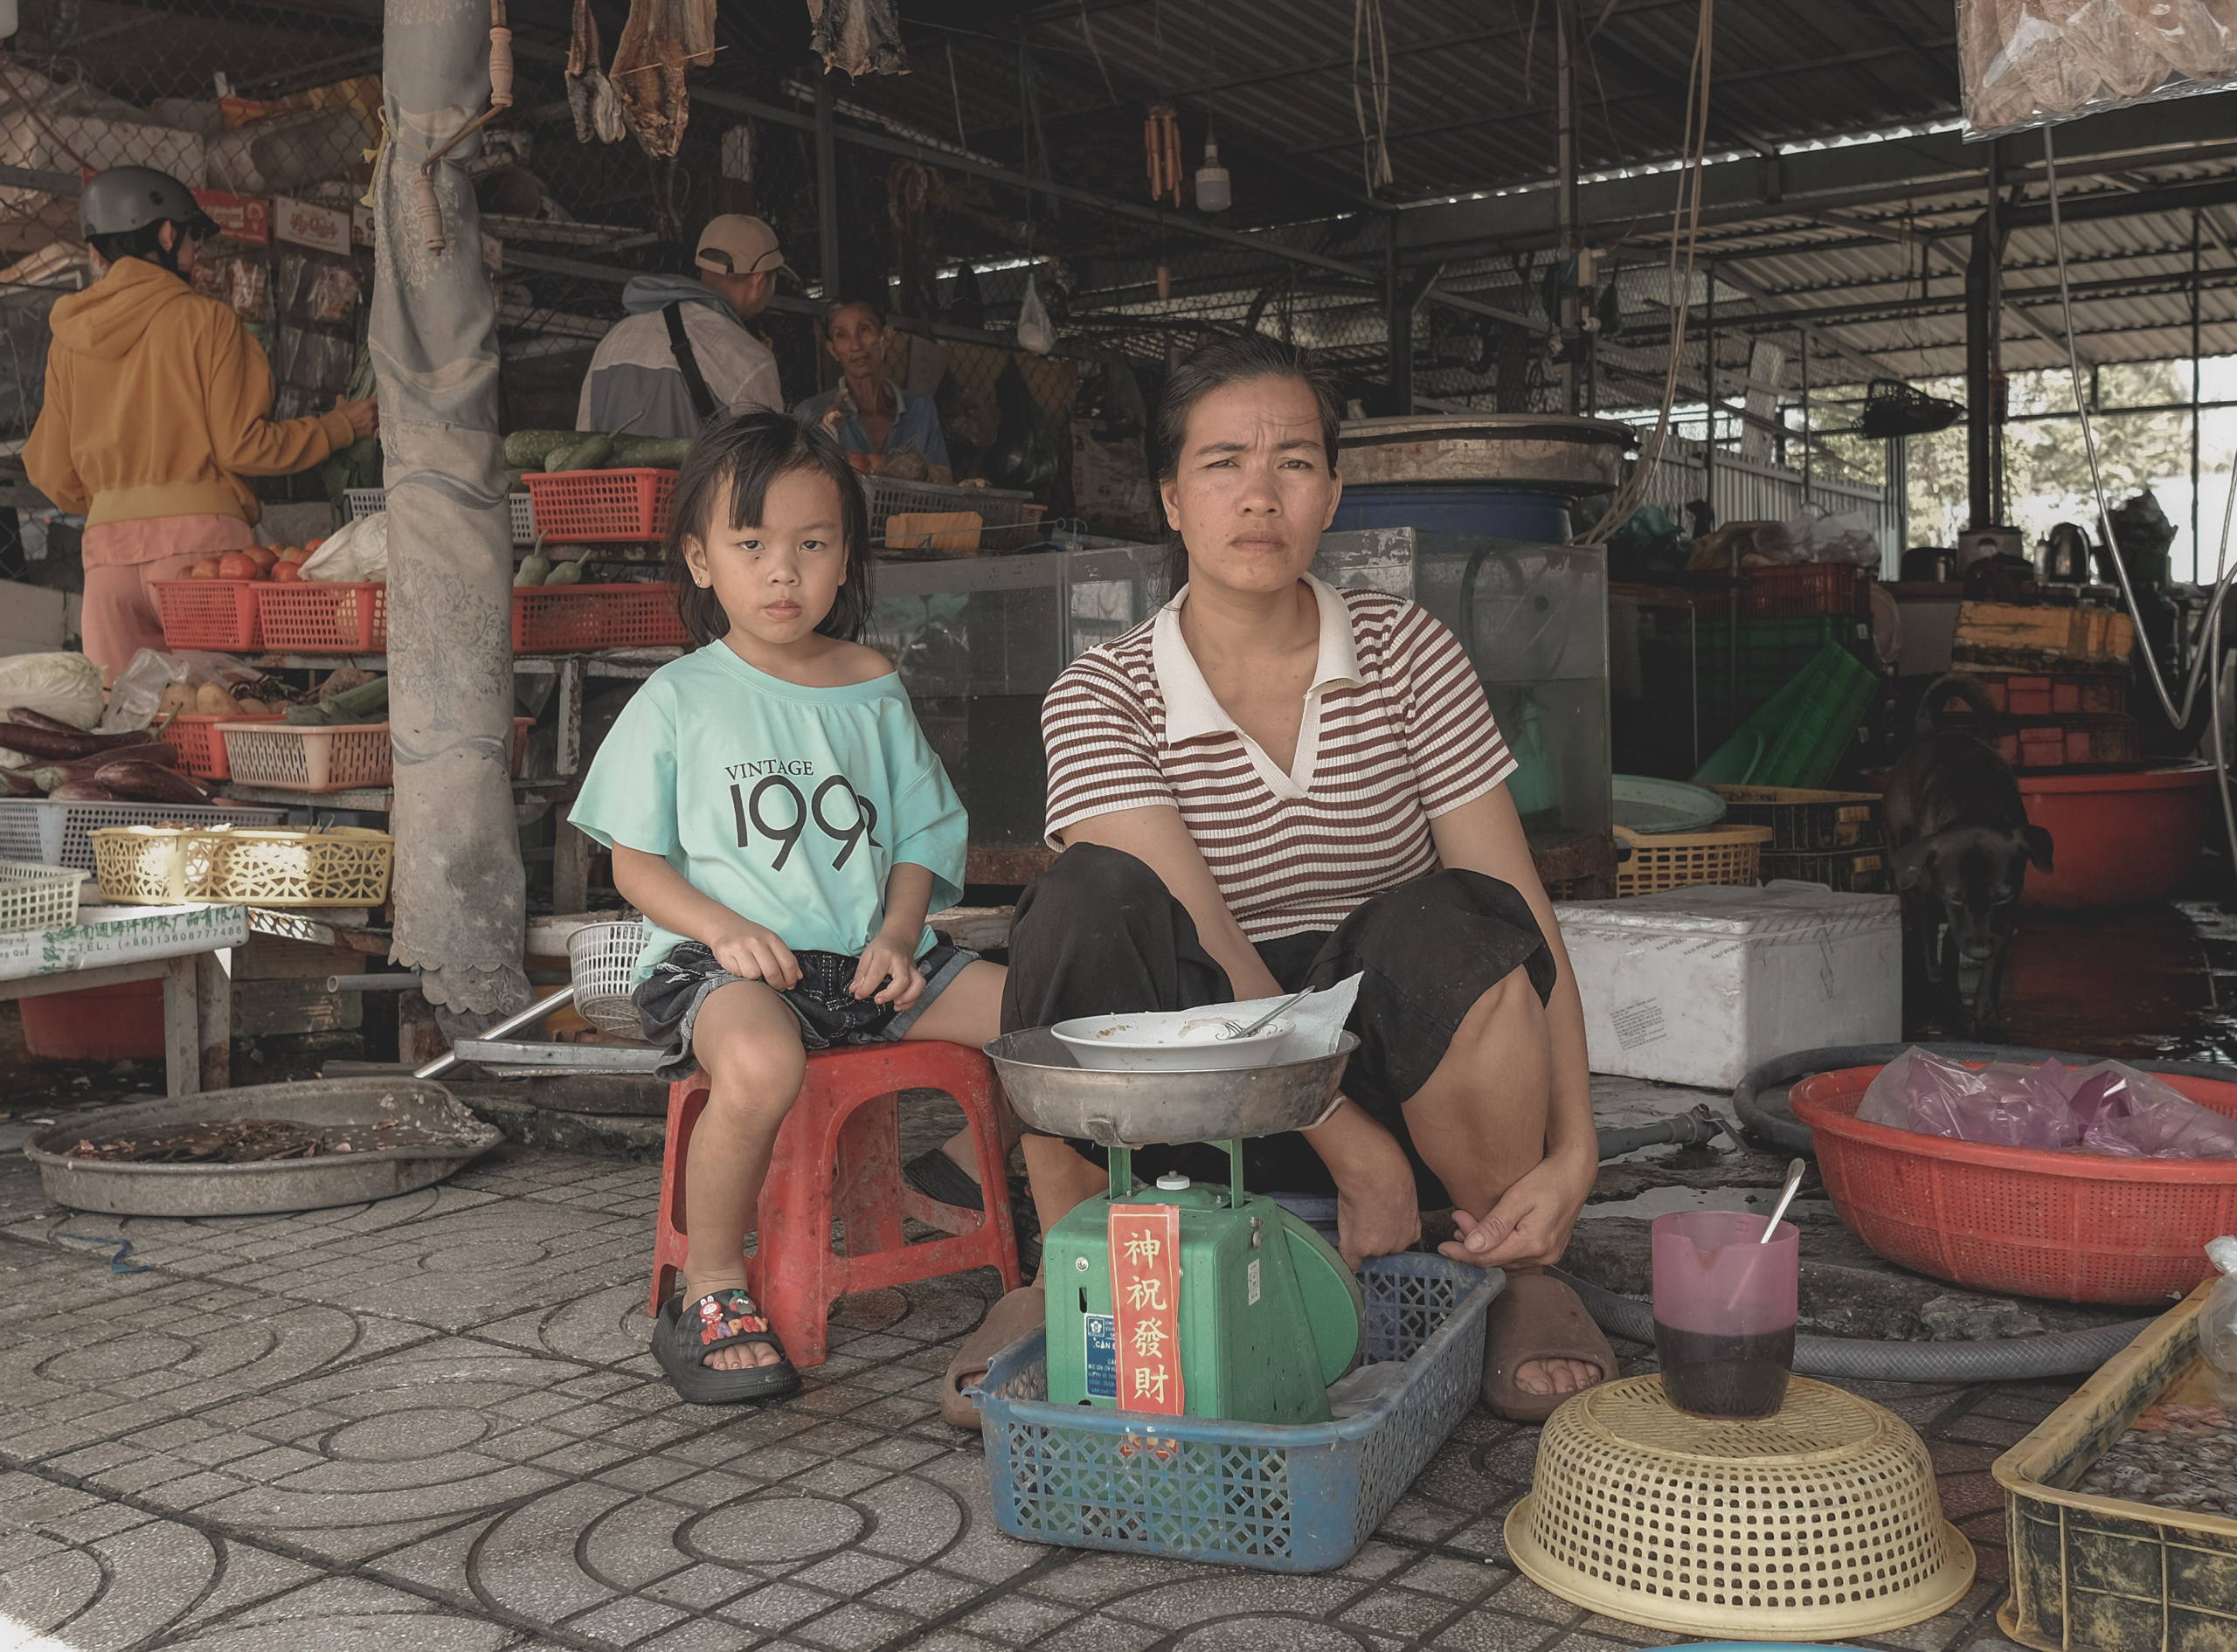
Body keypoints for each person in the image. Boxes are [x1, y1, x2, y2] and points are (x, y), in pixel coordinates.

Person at [950, 334, 1617, 1426]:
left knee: (1462, 920)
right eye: (1221, 464)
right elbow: (1202, 932)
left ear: (1333, 491)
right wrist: (1341, 1140)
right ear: (1170, 497)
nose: (1258, 495)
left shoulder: (1408, 653)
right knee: (1082, 902)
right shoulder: (1102, 691)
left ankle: (1515, 1262)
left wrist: (1577, 1154)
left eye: (1293, 461)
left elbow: (1523, 921)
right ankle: (1060, 1265)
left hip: (1393, 1066)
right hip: (1189, 1086)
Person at [567, 412, 1008, 1405]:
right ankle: (714, 1285)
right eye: (751, 545)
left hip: (867, 961)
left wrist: (900, 935)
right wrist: (721, 927)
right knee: (762, 1065)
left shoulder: (873, 687)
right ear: (698, 559)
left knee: (1046, 1022)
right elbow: (635, 866)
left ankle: (948, 1174)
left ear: (846, 556)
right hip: (722, 968)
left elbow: (919, 844)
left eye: (811, 546)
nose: (783, 573)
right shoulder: (679, 696)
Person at [24, 165, 377, 677]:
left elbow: (52, 473)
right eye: (192, 236)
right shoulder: (207, 323)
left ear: (98, 250)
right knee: (219, 718)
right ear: (166, 234)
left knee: (126, 724)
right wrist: (337, 427)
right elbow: (244, 447)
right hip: (200, 557)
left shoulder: (70, 341)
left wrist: (117, 502)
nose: (196, 251)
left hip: (107, 558)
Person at [576, 216, 787, 439]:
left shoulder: (616, 337)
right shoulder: (750, 358)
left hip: (613, 477)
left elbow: (584, 436)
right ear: (758, 280)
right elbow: (763, 461)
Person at [792, 298, 952, 484]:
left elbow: (945, 481)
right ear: (833, 350)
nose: (856, 345)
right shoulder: (811, 413)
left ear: (887, 335)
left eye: (865, 329)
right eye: (842, 335)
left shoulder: (921, 410)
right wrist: (828, 433)